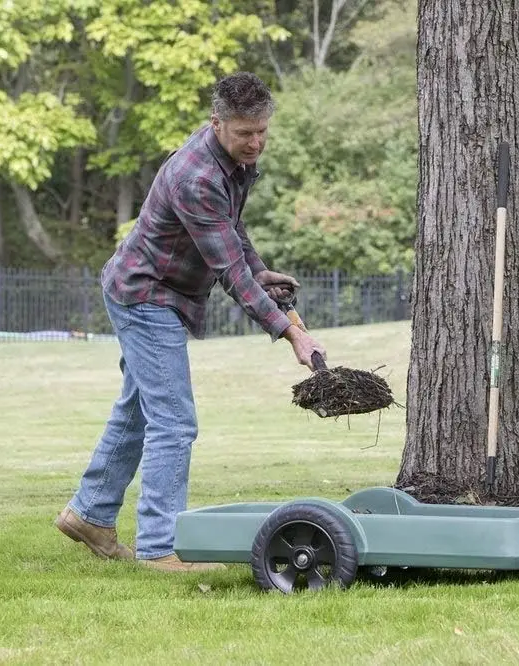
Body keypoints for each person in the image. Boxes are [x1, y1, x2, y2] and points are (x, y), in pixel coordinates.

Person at [55, 72, 327, 573]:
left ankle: (89, 513)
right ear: (216, 123)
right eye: (246, 132)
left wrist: (261, 269)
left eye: (263, 130)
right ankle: (160, 547)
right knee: (175, 422)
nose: (257, 142)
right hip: (146, 295)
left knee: (139, 410)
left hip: (152, 290)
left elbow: (233, 231)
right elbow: (230, 274)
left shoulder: (232, 162)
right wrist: (291, 330)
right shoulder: (198, 176)